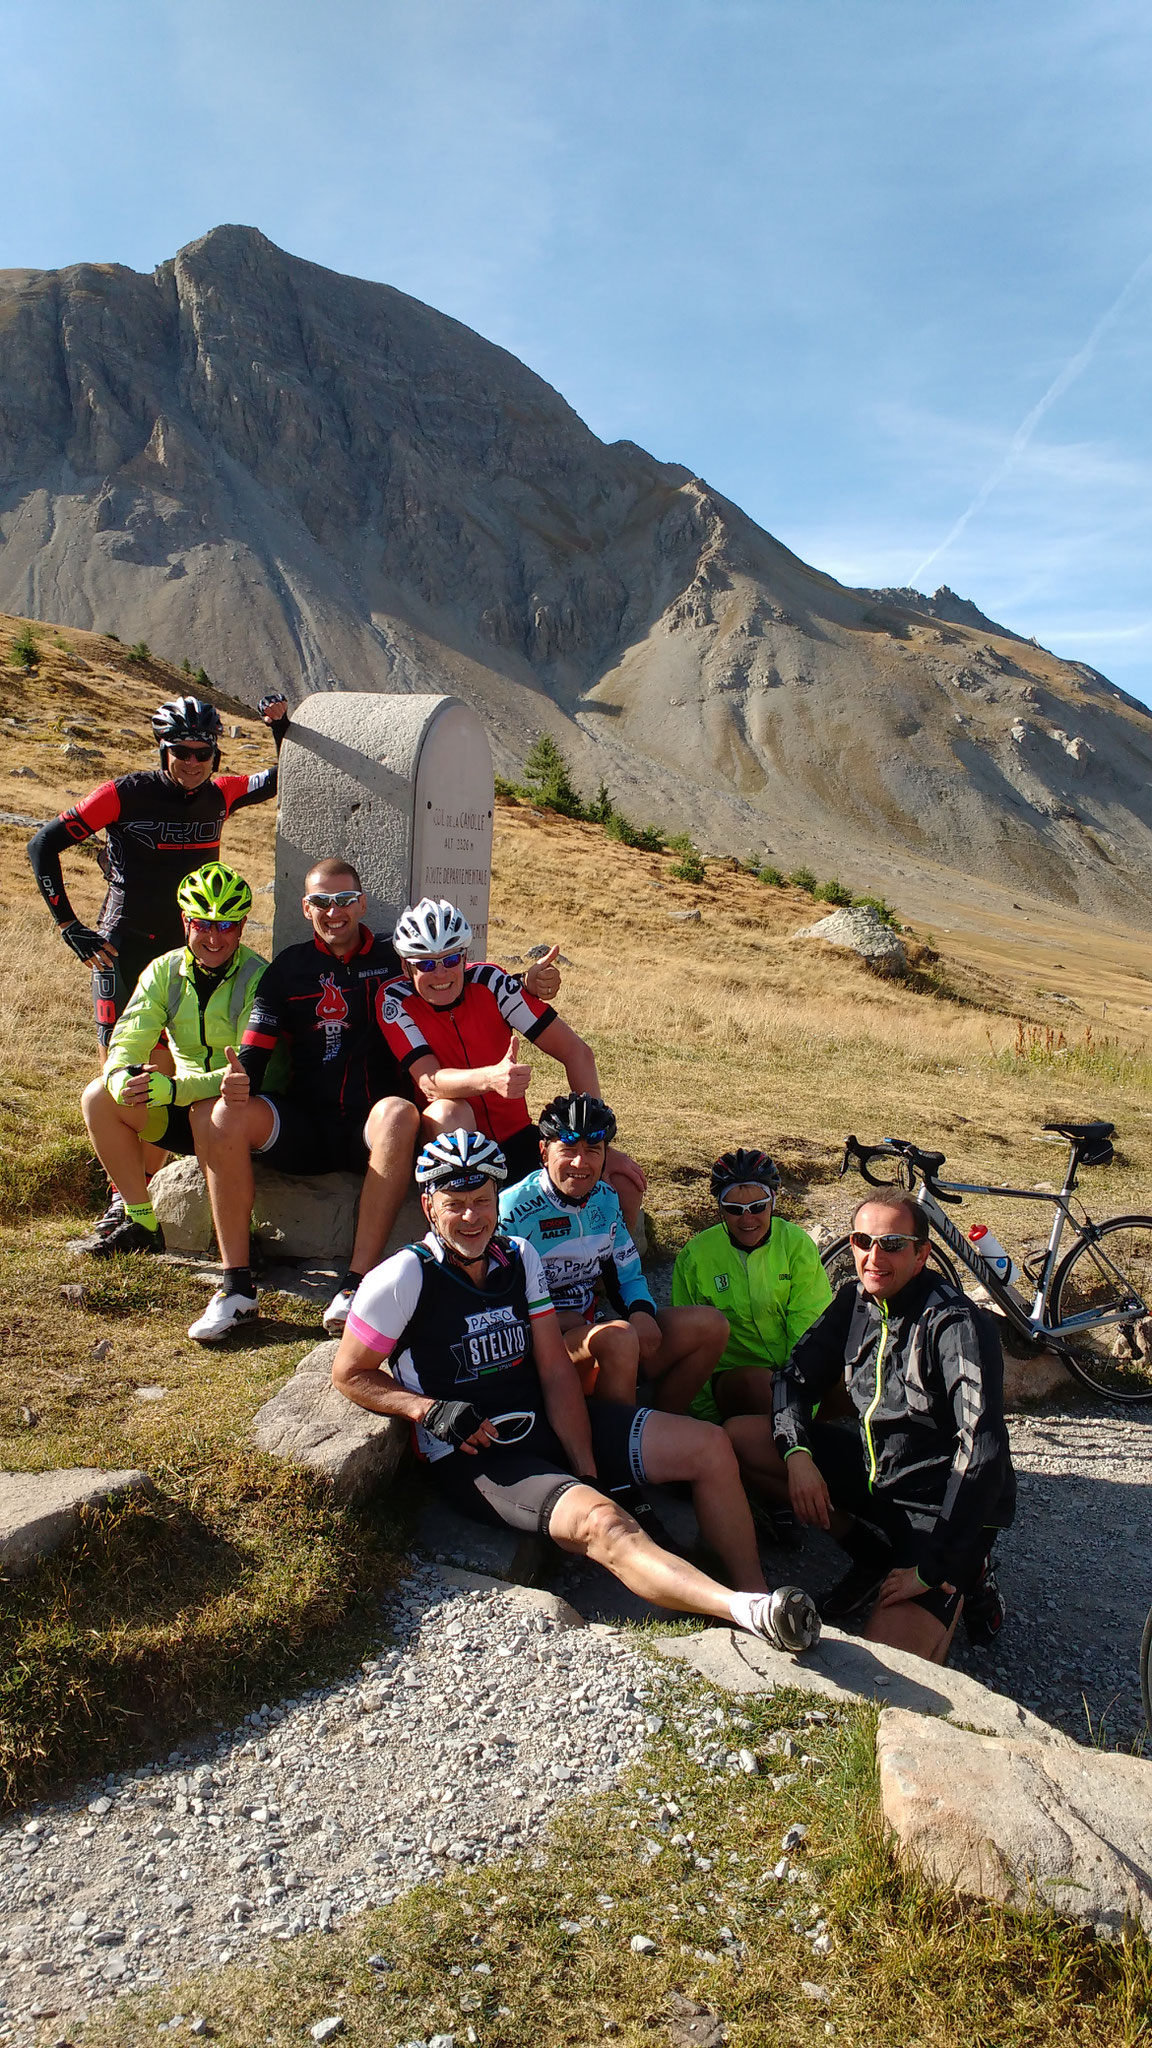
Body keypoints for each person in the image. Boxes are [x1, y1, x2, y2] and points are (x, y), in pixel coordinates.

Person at [330, 1129, 821, 1654]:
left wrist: (588, 1465)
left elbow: (555, 1368)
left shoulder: (518, 1256)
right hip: (476, 1452)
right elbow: (350, 1373)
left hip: (542, 1418)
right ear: (429, 1206)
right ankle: (744, 1611)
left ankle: (759, 1592)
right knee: (603, 1523)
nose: (471, 1218)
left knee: (709, 1444)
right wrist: (425, 1410)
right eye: (455, 1205)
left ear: (498, 1198)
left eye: (482, 1202)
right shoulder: (403, 1277)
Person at [192, 864, 562, 1344]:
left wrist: (526, 983)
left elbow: (453, 975)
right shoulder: (289, 967)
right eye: (321, 902)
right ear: (306, 908)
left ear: (363, 903)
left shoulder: (397, 955)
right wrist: (241, 1078)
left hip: (376, 1122)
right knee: (225, 1116)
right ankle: (236, 1287)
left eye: (345, 899)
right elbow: (256, 1045)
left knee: (397, 1112)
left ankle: (355, 1283)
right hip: (306, 1119)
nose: (334, 911)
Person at [28, 690, 288, 1238]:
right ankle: (126, 1202)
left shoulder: (220, 794)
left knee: (181, 1062)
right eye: (180, 751)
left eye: (202, 751)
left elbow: (280, 777)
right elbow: (42, 844)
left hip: (194, 946)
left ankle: (157, 1184)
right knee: (123, 1073)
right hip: (123, 946)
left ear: (215, 754)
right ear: (161, 749)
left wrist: (279, 725)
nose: (191, 762)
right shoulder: (124, 794)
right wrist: (69, 925)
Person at [759, 1191, 1016, 1665]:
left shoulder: (957, 1324)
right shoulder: (855, 1300)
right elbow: (792, 1378)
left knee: (891, 1674)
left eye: (893, 1244)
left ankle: (967, 1570)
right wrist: (797, 1455)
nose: (874, 1257)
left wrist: (935, 1564)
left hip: (934, 1508)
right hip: (874, 1472)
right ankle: (870, 1553)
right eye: (863, 1240)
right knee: (740, 1439)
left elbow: (982, 1451)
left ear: (922, 1254)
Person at [377, 897, 646, 1229]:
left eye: (450, 959)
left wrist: (596, 1143)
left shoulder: (491, 982)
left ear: (464, 957)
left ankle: (613, 1276)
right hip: (452, 1137)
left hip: (516, 1136)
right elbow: (429, 1081)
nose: (441, 973)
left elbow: (577, 1052)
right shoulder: (394, 999)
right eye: (426, 965)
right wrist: (491, 1078)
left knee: (624, 1183)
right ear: (406, 967)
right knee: (450, 1111)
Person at [72, 863, 269, 1256]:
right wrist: (118, 1075)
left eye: (226, 925)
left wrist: (176, 1089)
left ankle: (240, 1239)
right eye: (203, 924)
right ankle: (140, 1221)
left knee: (209, 1111)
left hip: (236, 1109)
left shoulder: (258, 976)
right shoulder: (164, 970)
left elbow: (246, 1072)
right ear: (185, 921)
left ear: (242, 926)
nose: (214, 937)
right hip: (182, 1102)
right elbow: (130, 1033)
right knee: (98, 1097)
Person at [500, 1093, 727, 1413]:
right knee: (619, 1337)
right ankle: (620, 1445)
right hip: (541, 1347)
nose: (580, 1163)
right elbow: (493, 1306)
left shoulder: (605, 1199)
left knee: (710, 1326)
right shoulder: (514, 1210)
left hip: (594, 1329)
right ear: (544, 1151)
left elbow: (626, 1274)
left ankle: (663, 1426)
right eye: (568, 1149)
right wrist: (551, 1321)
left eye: (592, 1151)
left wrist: (641, 1312)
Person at [671, 1149, 833, 1425]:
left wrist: (803, 1398)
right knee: (762, 1387)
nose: (747, 1220)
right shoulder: (694, 1256)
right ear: (719, 1208)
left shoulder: (795, 1243)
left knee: (852, 1379)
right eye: (734, 1210)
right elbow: (685, 1346)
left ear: (773, 1201)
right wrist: (708, 1418)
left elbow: (809, 1326)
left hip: (793, 1374)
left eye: (758, 1207)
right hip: (735, 1377)